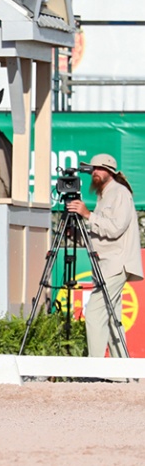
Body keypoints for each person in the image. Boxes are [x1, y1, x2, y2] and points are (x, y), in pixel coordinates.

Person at [66, 153, 143, 358]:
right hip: (106, 265)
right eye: (93, 169)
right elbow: (102, 236)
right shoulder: (105, 195)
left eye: (100, 169)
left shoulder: (119, 193)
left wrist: (88, 214)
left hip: (117, 264)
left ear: (111, 172)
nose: (95, 173)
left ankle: (95, 370)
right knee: (111, 318)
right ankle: (121, 372)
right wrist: (77, 235)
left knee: (94, 314)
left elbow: (116, 228)